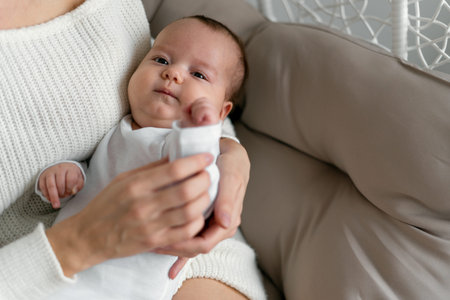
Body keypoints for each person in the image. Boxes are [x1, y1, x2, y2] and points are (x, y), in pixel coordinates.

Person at [0, 1, 265, 299]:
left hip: (138, 281)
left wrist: (211, 139)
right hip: (54, 271)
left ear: (222, 112)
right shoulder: (121, 129)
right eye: (161, 61)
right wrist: (68, 173)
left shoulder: (179, 142)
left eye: (199, 75)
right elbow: (98, 173)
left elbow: (199, 184)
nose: (173, 73)